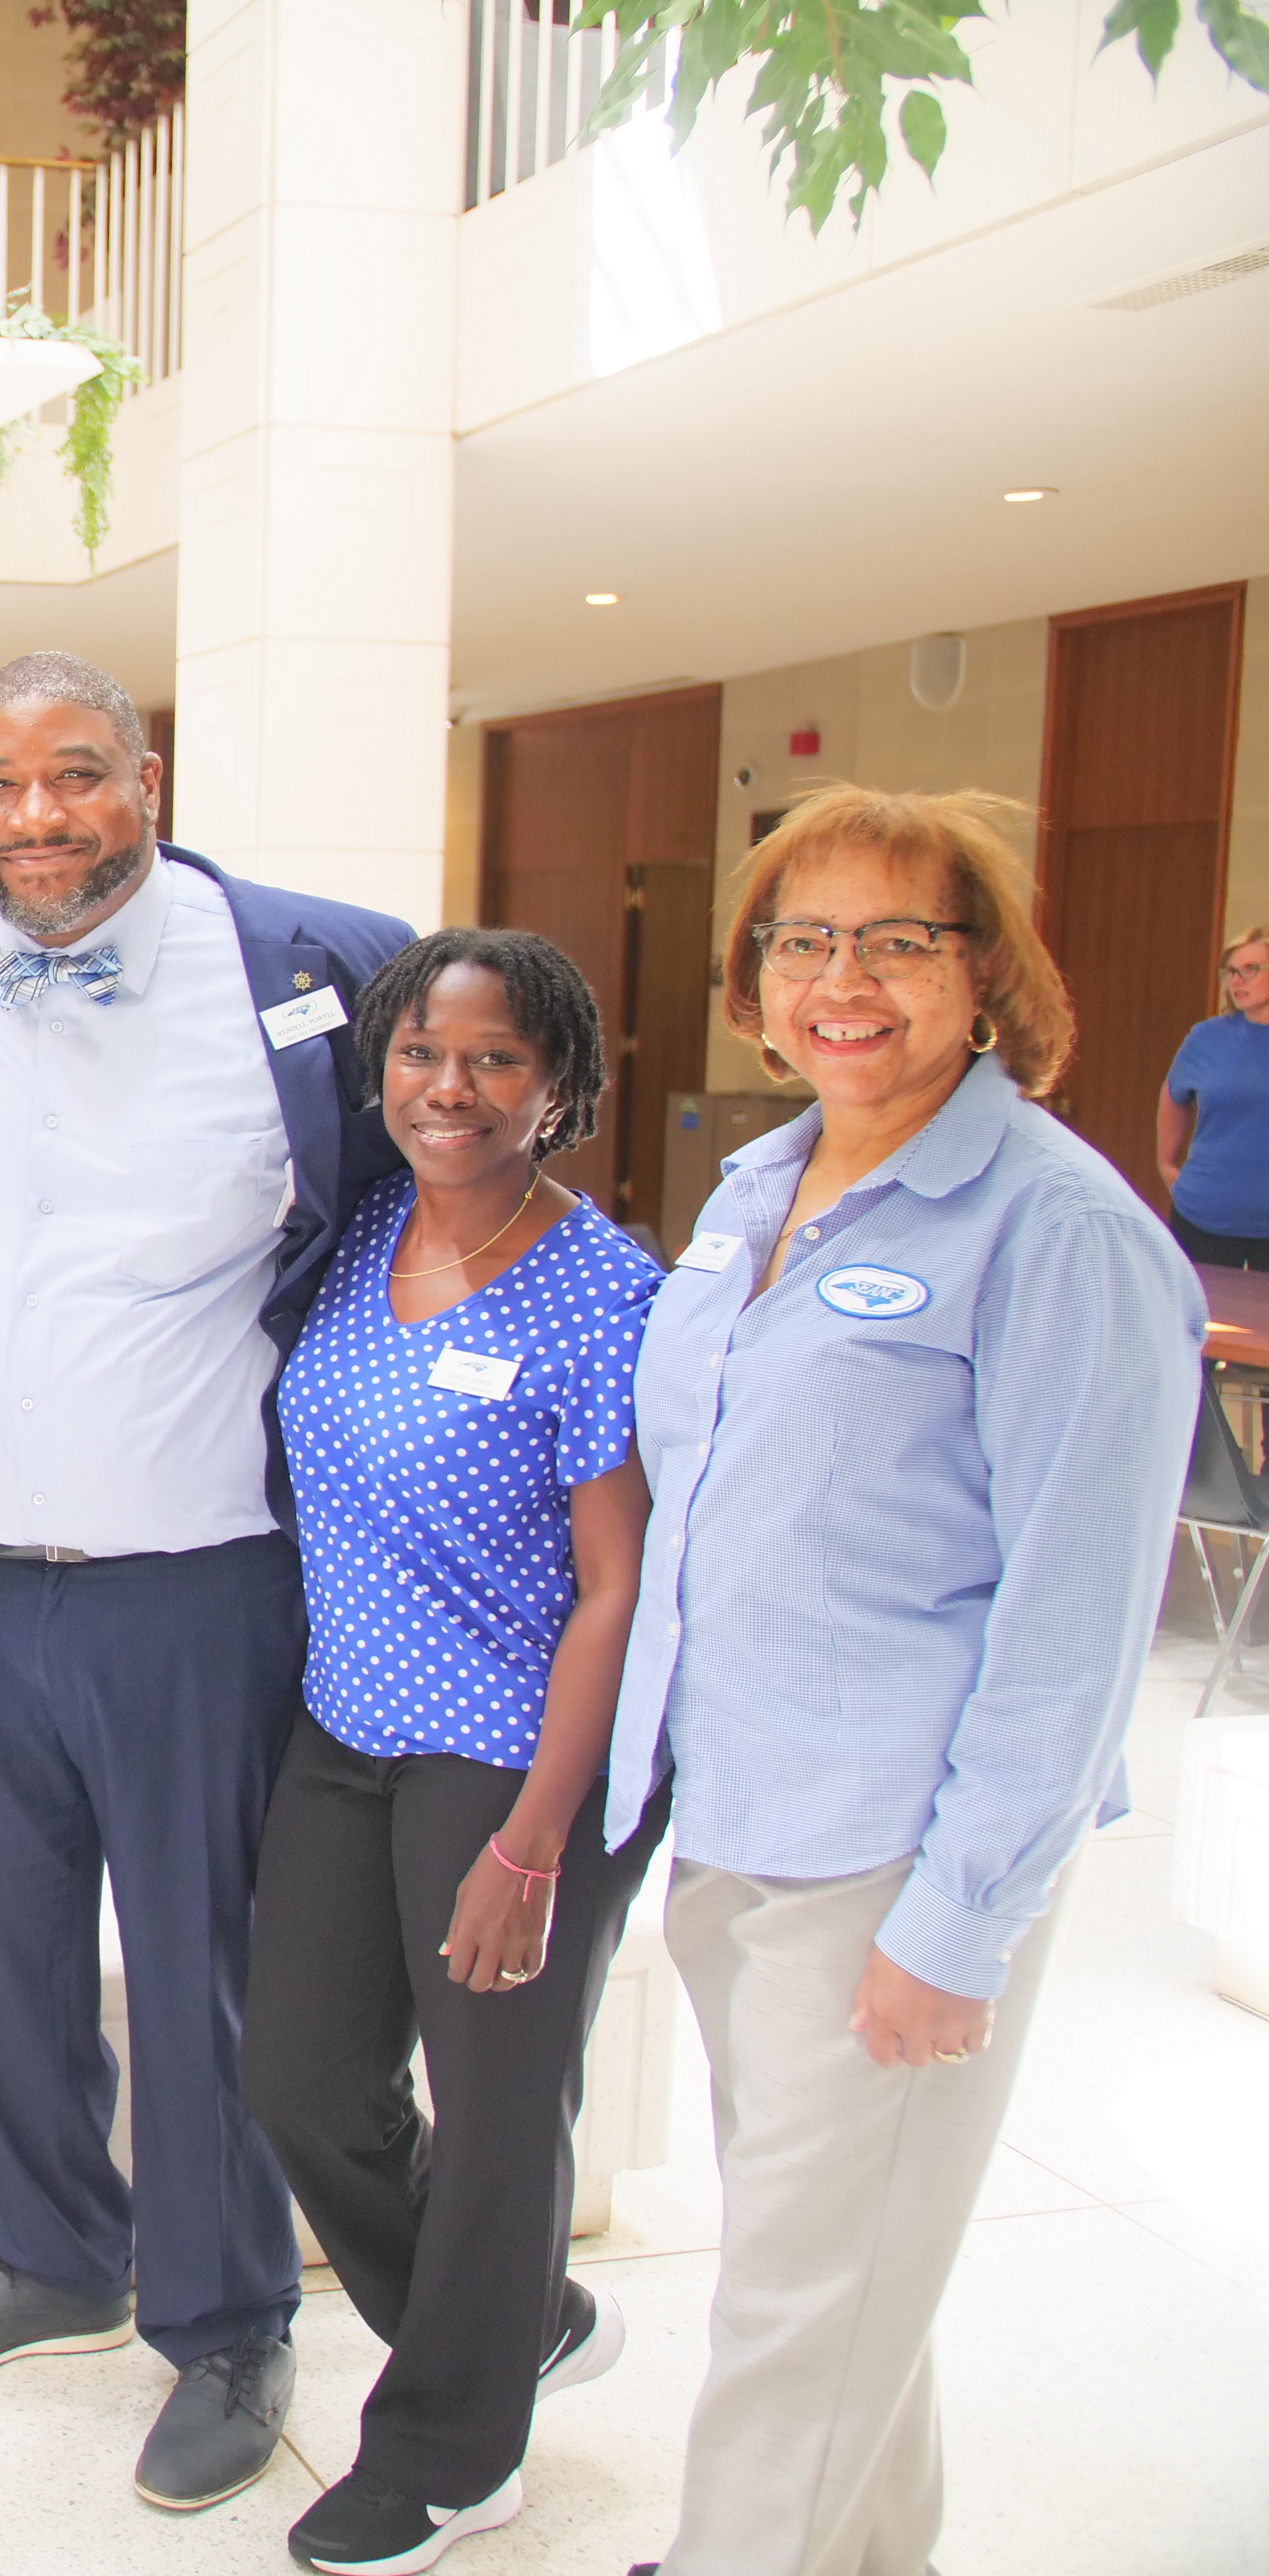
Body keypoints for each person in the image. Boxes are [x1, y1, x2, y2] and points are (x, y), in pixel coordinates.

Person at [0, 650, 409, 2512]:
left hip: (203, 1585)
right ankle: (52, 2252)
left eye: (74, 776)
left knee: (204, 1967)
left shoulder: (317, 963)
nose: (37, 820)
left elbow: (415, 1218)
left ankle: (230, 2316)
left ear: (145, 778)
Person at [607, 786, 1199, 2576]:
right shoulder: (760, 1185)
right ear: (753, 980)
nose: (840, 980)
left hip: (887, 1853)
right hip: (741, 1821)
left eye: (896, 940)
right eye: (802, 942)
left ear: (986, 972)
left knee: (798, 2312)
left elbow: (1078, 1619)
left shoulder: (1056, 1229)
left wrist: (965, 1916)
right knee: (843, 2279)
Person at [238, 928, 665, 2575]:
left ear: (557, 1084)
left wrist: (536, 1842)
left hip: (511, 1756)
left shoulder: (602, 1291)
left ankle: (448, 2449)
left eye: (494, 1059)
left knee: (495, 2117)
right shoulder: (356, 1239)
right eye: (422, 1051)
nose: (451, 1087)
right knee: (300, 2081)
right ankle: (513, 2317)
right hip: (349, 1731)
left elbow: (618, 1590)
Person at [1158, 924, 1269, 1267]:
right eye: (1232, 972)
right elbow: (1174, 1095)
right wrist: (1166, 1164)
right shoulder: (1207, 1038)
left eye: (1251, 970)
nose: (1237, 981)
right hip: (1204, 1218)